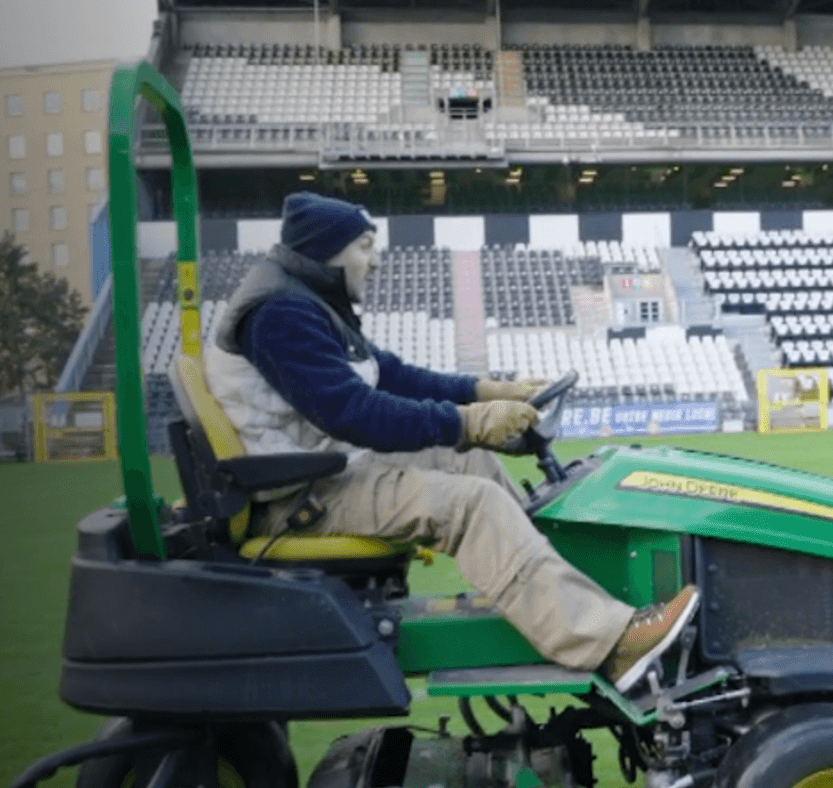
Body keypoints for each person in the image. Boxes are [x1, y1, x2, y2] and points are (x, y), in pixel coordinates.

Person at [206, 191, 695, 691]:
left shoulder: (306, 298)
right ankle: (612, 645)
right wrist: (469, 423)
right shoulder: (280, 314)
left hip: (319, 471)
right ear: (326, 250)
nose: (376, 261)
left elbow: (391, 375)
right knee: (472, 505)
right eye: (365, 247)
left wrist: (484, 392)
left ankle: (565, 605)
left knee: (472, 464)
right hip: (297, 497)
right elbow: (354, 414)